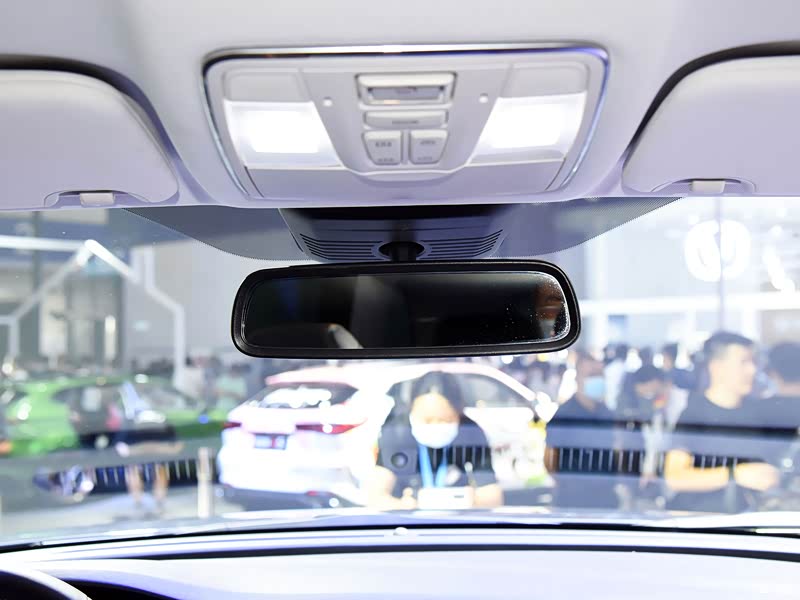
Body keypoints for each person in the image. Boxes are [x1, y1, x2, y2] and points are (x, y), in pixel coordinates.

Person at [665, 332, 779, 513]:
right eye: (743, 362)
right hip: (704, 519)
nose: (752, 370)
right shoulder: (695, 414)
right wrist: (735, 474)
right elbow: (675, 477)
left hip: (750, 517)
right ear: (716, 367)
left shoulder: (759, 412)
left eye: (753, 362)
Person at [368, 373, 502, 510]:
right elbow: (375, 497)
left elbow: (492, 496)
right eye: (427, 420)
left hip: (457, 518)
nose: (435, 426)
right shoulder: (397, 432)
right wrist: (403, 505)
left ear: (458, 415)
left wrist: (474, 502)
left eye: (445, 419)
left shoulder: (470, 433)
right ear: (411, 411)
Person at [545, 351, 619, 509]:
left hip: (606, 499)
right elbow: (550, 461)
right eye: (592, 375)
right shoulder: (564, 416)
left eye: (600, 375)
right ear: (578, 379)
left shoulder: (607, 413)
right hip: (571, 501)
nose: (598, 380)